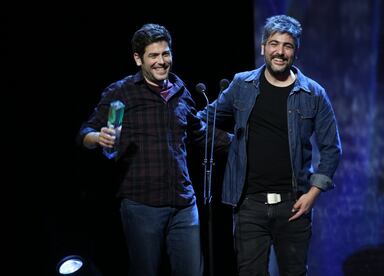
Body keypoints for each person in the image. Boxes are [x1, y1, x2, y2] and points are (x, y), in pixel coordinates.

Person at [77, 23, 230, 276]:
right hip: (142, 205)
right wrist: (97, 137)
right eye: (154, 56)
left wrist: (243, 141)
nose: (162, 61)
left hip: (183, 204)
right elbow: (84, 132)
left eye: (166, 54)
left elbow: (200, 134)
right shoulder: (122, 92)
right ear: (138, 59)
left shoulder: (181, 91)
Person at [197, 14, 342, 276]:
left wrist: (312, 195)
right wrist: (231, 143)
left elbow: (332, 147)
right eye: (274, 44)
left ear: (295, 52)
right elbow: (203, 121)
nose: (280, 52)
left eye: (287, 46)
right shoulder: (242, 84)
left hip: (294, 204)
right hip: (249, 205)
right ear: (263, 47)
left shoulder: (313, 92)